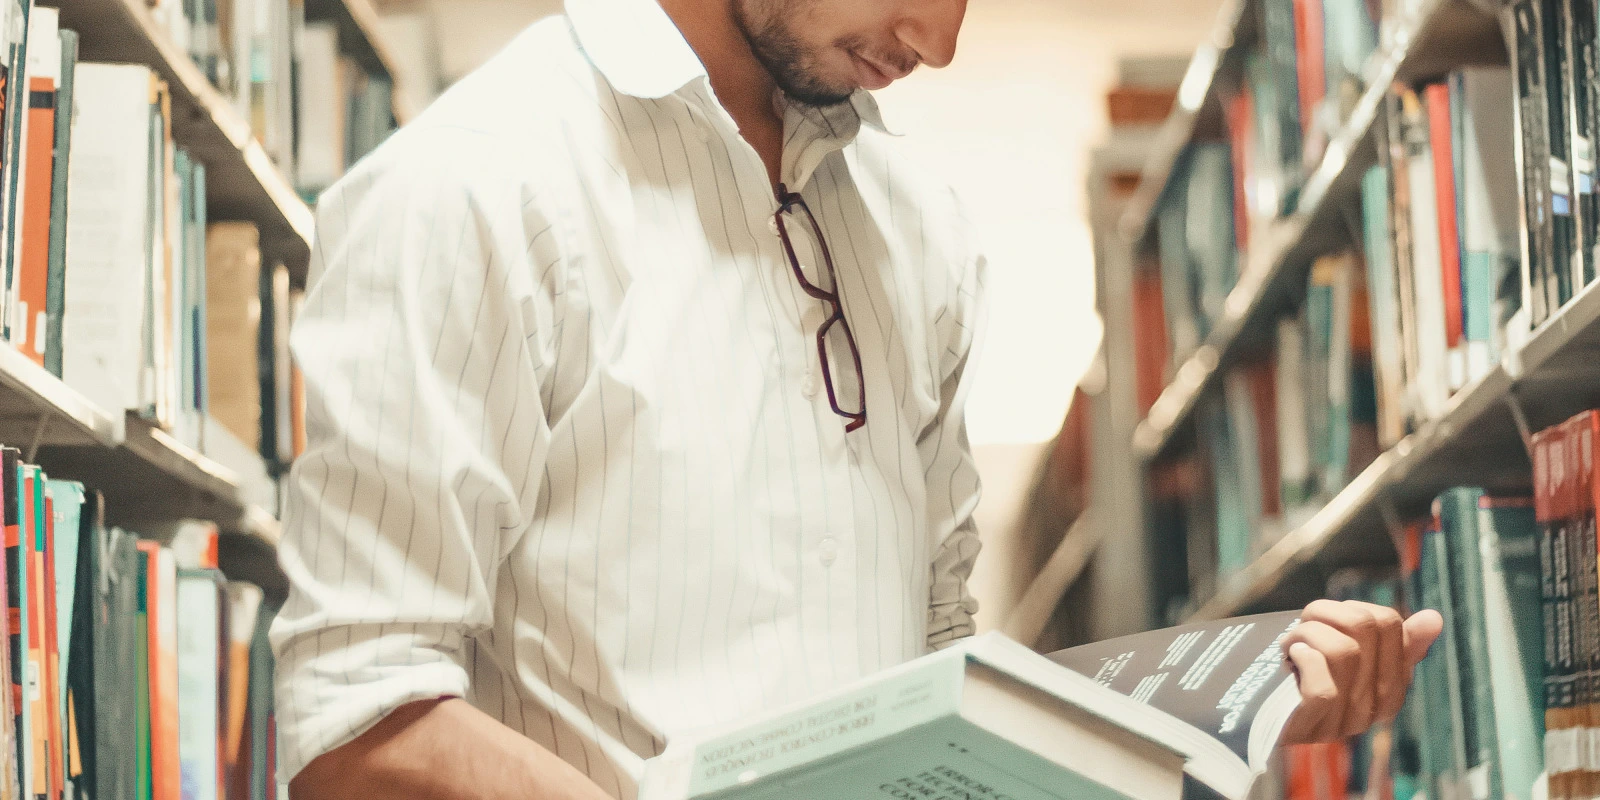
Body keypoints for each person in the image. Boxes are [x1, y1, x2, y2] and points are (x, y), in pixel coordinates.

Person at [272, 0, 1445, 796]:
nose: (937, 37)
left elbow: (937, 668)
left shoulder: (916, 226)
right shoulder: (470, 186)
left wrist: (1221, 706)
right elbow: (356, 716)